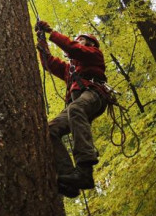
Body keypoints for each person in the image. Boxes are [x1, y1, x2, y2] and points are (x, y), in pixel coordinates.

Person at [35, 20, 112, 198]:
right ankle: (69, 177)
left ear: (90, 43)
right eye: (77, 39)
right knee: (50, 131)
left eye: (81, 39)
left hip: (94, 95)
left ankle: (84, 168)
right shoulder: (71, 68)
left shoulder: (94, 54)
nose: (78, 41)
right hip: (76, 105)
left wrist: (52, 32)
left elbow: (74, 49)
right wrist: (42, 43)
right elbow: (50, 64)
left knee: (76, 109)